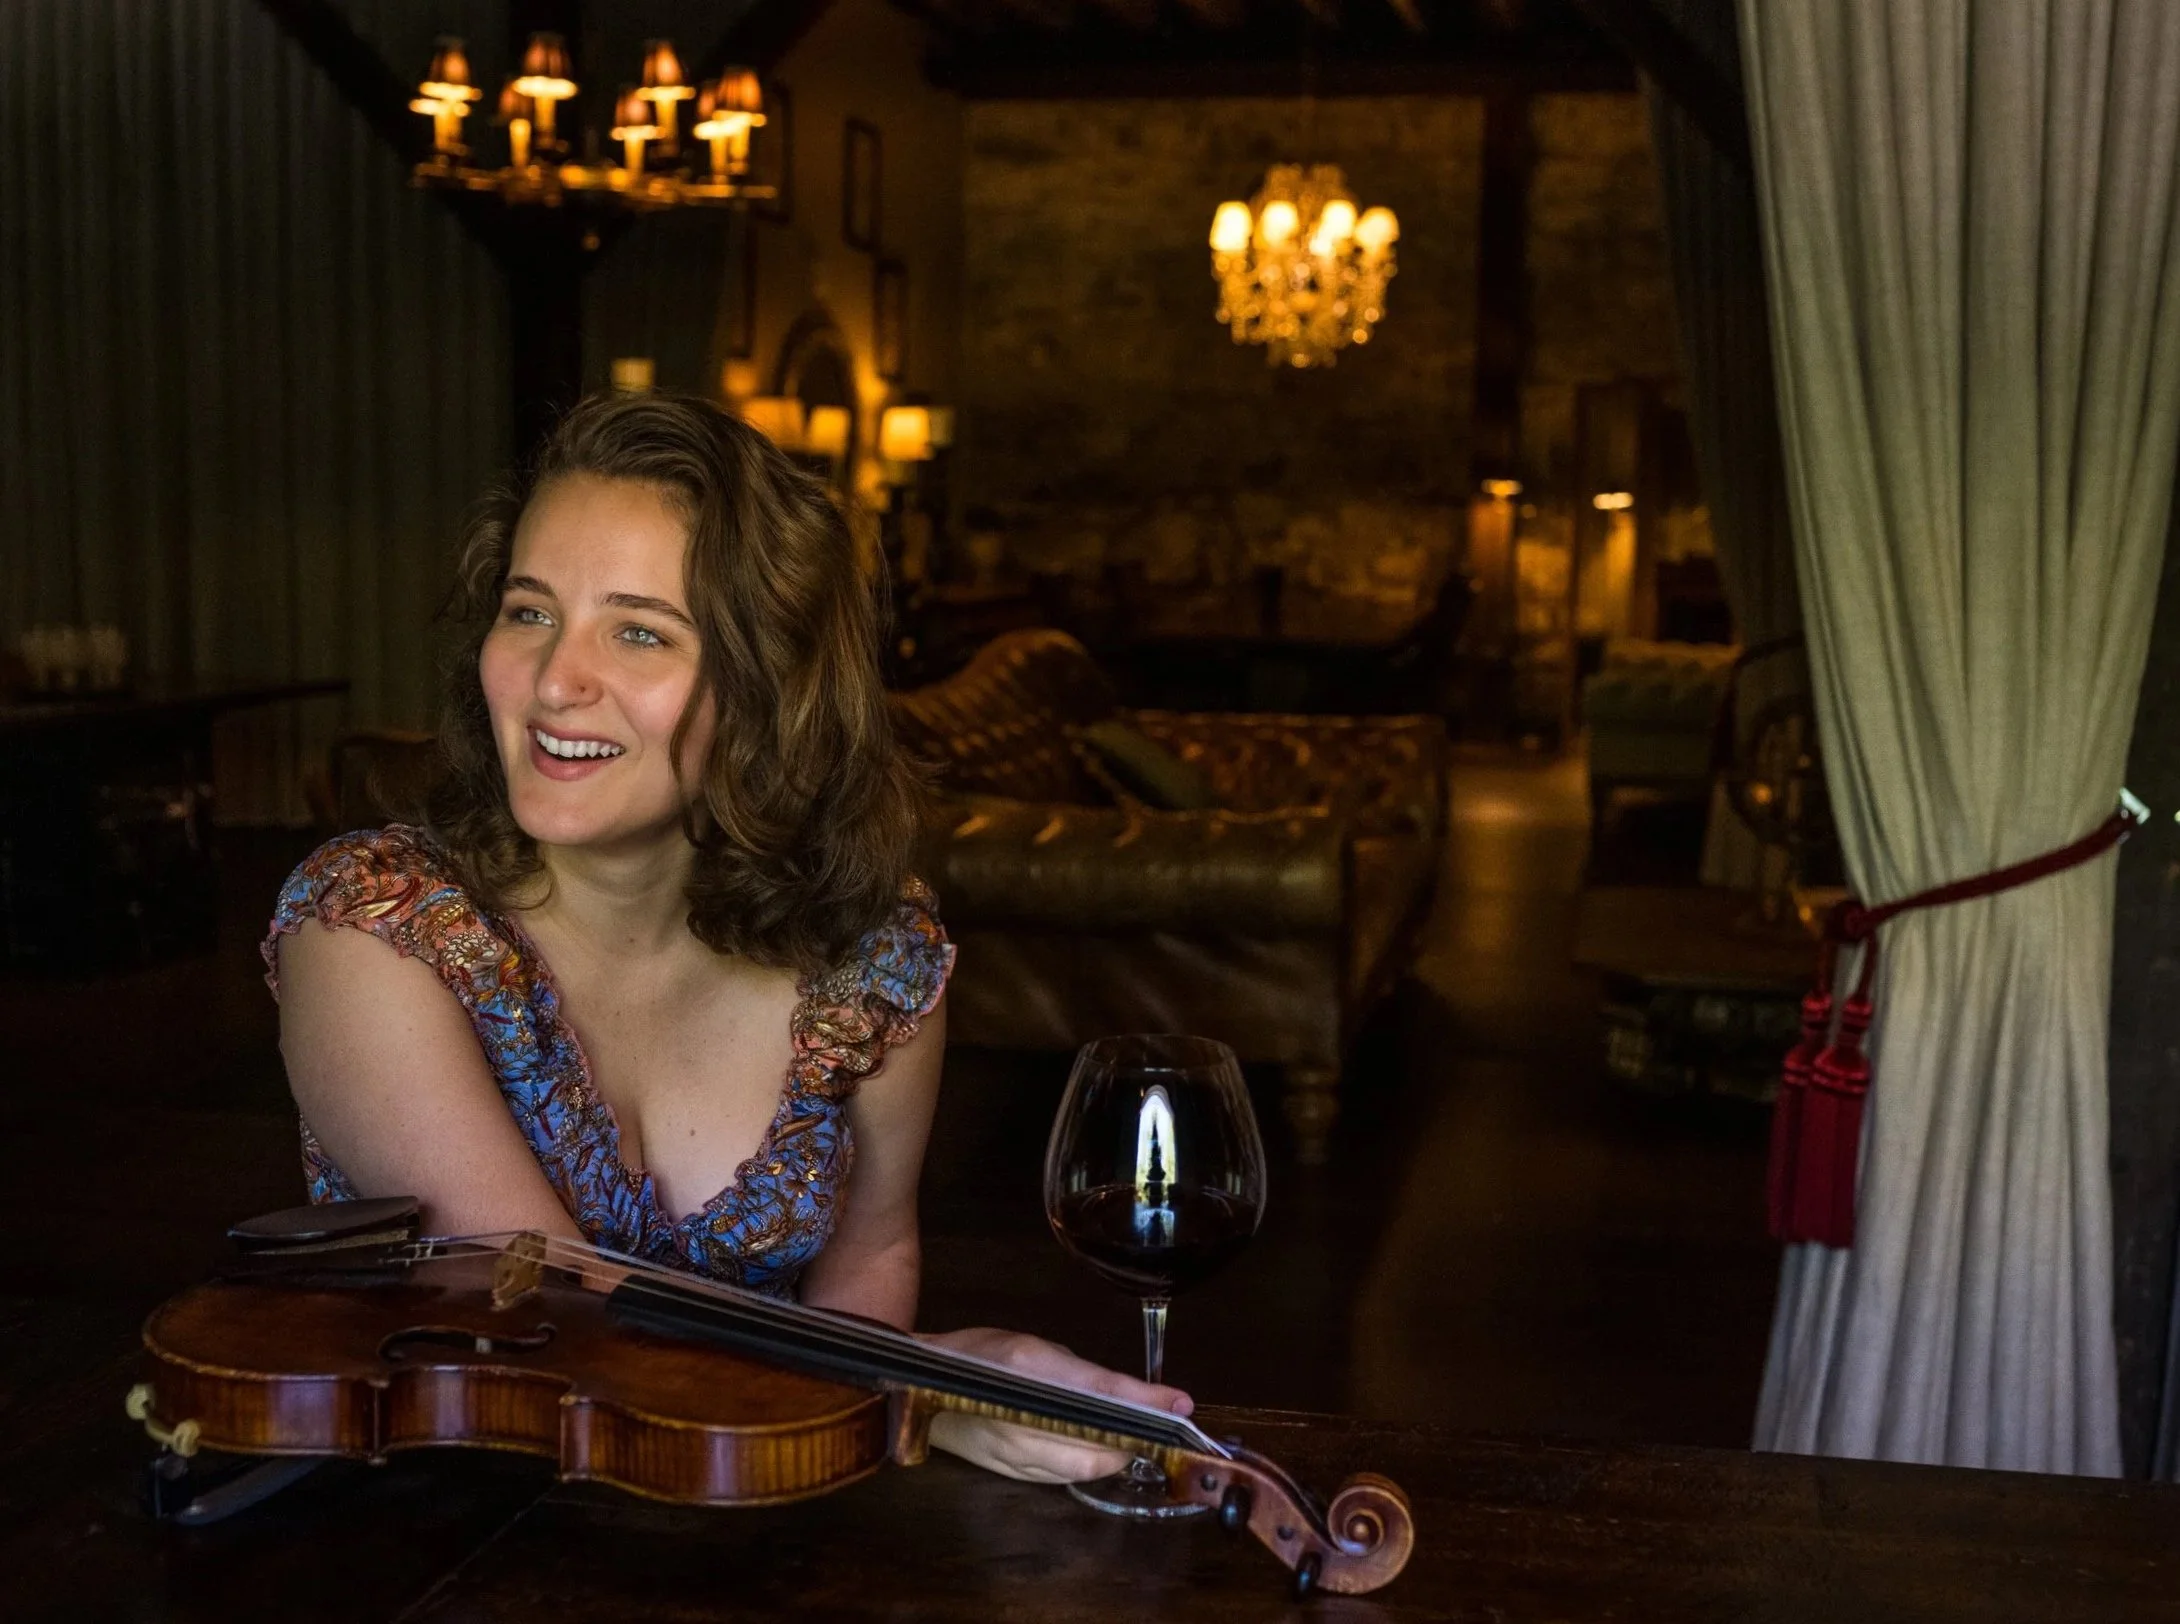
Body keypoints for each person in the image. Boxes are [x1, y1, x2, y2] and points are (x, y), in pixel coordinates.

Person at [264, 392, 1186, 1482]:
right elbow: (556, 1313)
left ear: (766, 687)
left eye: (639, 631)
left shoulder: (871, 961)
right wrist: (923, 1393)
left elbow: (874, 1253)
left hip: (750, 1515)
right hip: (444, 1532)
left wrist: (882, 1391)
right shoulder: (370, 926)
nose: (556, 679)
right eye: (528, 611)